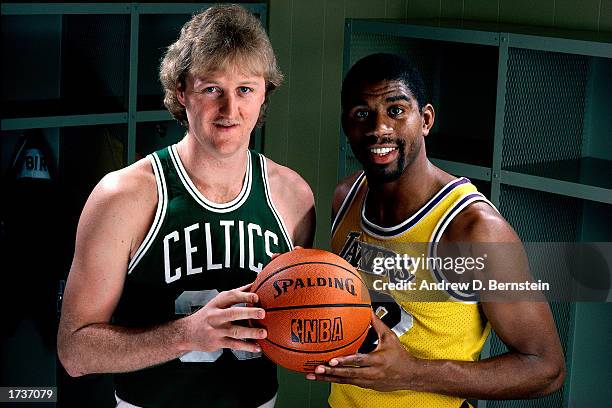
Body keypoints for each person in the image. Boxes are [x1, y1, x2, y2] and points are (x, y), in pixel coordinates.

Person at [57, 5, 315, 408]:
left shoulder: (293, 196)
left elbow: (291, 324)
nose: (230, 110)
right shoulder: (123, 196)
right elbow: (74, 353)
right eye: (212, 89)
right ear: (181, 90)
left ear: (266, 91)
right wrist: (188, 334)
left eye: (245, 89)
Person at [311, 53, 565, 407]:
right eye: (362, 114)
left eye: (396, 110)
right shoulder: (347, 196)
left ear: (426, 119)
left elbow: (545, 367)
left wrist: (410, 372)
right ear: (346, 124)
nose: (379, 128)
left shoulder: (473, 229)